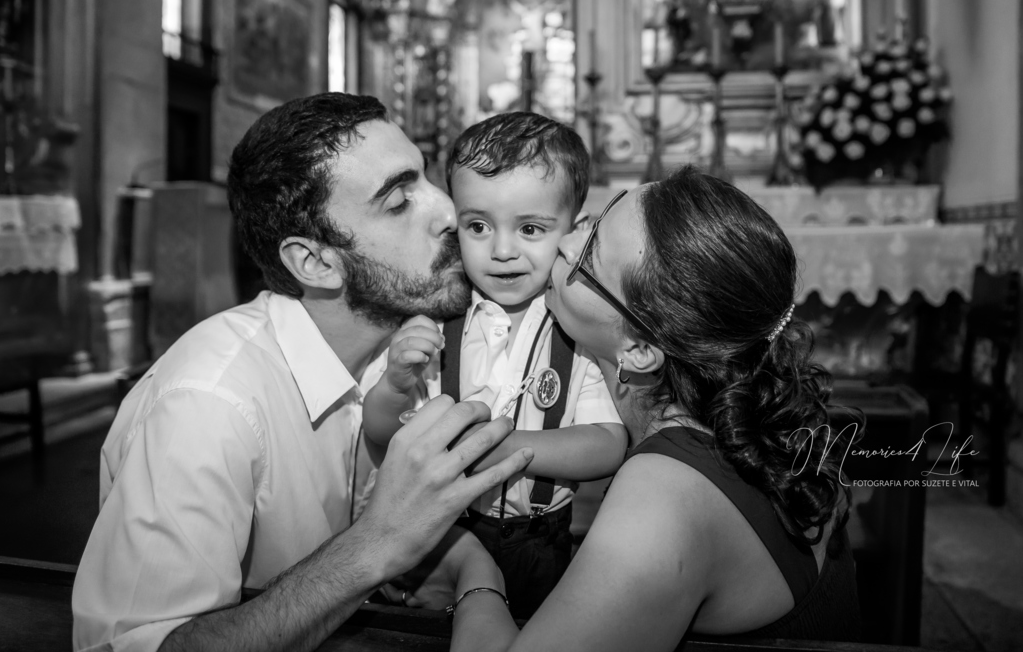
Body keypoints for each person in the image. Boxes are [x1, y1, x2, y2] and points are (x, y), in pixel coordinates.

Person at [72, 93, 533, 652]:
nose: (448, 212)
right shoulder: (208, 406)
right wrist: (375, 546)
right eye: (398, 201)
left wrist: (474, 572)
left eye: (427, 178)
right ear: (315, 262)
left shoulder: (410, 352)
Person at [442, 166, 862, 650]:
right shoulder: (757, 426)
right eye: (592, 223)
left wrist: (471, 570)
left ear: (639, 350)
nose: (563, 244)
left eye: (588, 256)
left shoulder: (662, 499)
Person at [361, 112, 626, 618]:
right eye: (478, 226)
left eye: (530, 228)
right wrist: (395, 384)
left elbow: (607, 445)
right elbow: (380, 433)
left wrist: (502, 447)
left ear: (575, 230)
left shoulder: (578, 327)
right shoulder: (436, 324)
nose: (502, 251)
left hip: (539, 541)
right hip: (443, 535)